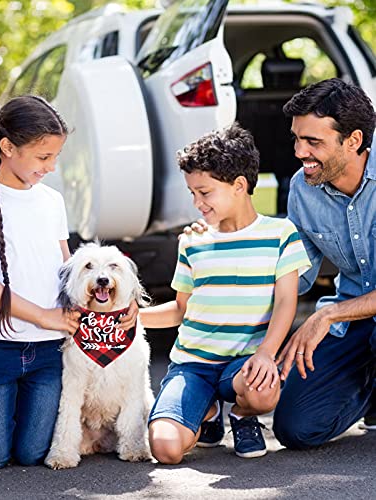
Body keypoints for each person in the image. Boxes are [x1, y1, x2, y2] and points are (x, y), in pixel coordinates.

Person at [0, 95, 137, 469]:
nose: (51, 167)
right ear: (7, 147)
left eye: (55, 157)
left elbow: (71, 271)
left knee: (32, 454)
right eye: (43, 157)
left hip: (48, 354)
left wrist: (123, 300)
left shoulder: (52, 201)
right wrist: (42, 315)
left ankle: (15, 410)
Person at [140, 123, 311, 464]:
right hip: (193, 364)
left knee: (262, 393)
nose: (197, 203)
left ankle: (243, 416)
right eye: (192, 193)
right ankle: (207, 412)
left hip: (244, 364)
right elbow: (180, 309)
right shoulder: (192, 240)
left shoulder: (281, 234)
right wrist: (131, 317)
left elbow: (286, 302)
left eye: (204, 193)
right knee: (165, 450)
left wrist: (266, 353)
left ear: (239, 186)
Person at [273, 78, 376, 447]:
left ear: (353, 140)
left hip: (345, 313)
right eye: (297, 139)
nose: (300, 152)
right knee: (297, 428)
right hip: (353, 321)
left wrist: (326, 315)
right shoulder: (303, 188)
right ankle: (369, 391)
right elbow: (296, 276)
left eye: (313, 142)